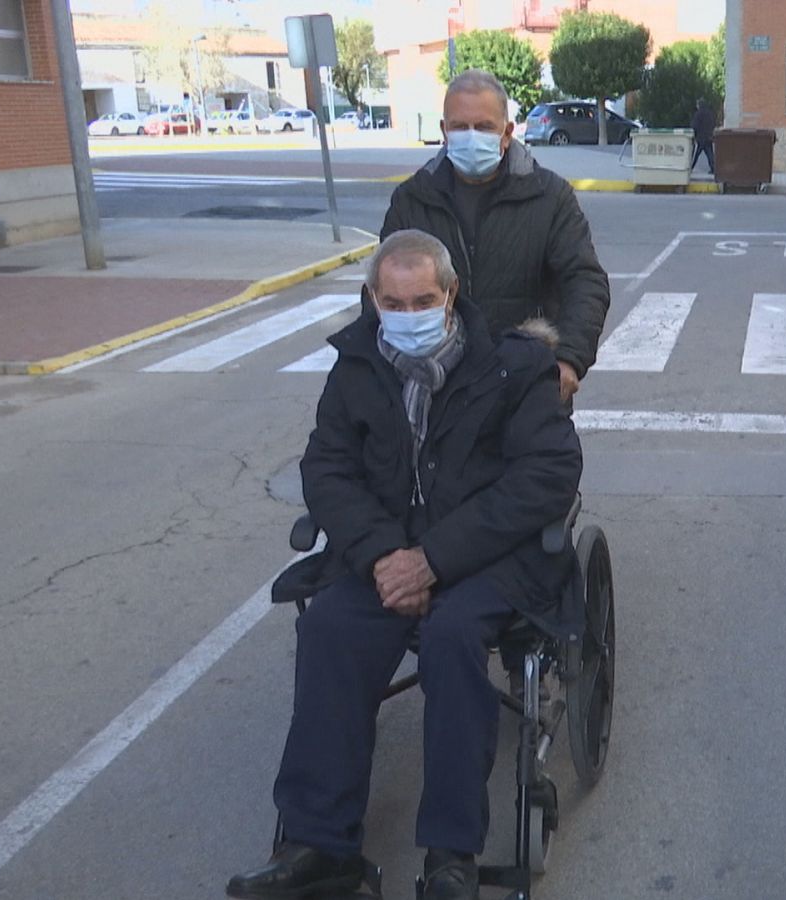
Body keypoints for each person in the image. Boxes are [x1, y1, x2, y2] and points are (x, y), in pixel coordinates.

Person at [225, 230, 582, 900]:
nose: (408, 312)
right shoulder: (357, 367)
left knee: (451, 640)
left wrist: (434, 559)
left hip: (487, 557)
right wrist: (385, 554)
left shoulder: (514, 368)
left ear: (450, 296)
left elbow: (547, 475)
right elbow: (326, 469)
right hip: (385, 553)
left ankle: (452, 854)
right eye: (394, 301)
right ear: (372, 299)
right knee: (329, 629)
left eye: (423, 299)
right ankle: (318, 845)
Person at [381, 70, 610, 406]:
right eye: (460, 127)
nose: (471, 137)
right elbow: (382, 294)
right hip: (436, 390)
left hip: (525, 385)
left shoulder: (549, 196)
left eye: (484, 127)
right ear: (444, 132)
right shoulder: (413, 199)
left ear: (507, 133)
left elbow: (584, 281)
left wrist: (568, 358)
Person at [690, 97, 716, 176]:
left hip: (701, 138)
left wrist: (694, 135)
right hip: (709, 137)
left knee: (696, 154)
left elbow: (694, 125)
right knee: (710, 154)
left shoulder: (698, 114)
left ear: (699, 105)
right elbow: (713, 124)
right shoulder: (710, 113)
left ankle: (690, 167)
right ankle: (713, 169)